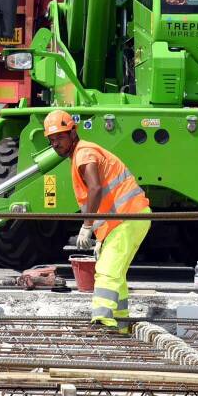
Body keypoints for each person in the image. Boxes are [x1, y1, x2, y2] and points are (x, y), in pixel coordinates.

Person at [43, 109, 150, 333]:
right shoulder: (82, 153)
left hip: (127, 218)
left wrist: (87, 226)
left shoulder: (84, 153)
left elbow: (95, 188)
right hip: (126, 220)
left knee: (106, 270)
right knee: (116, 274)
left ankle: (102, 320)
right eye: (52, 140)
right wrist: (102, 235)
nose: (56, 144)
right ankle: (121, 323)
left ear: (73, 132)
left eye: (60, 137)